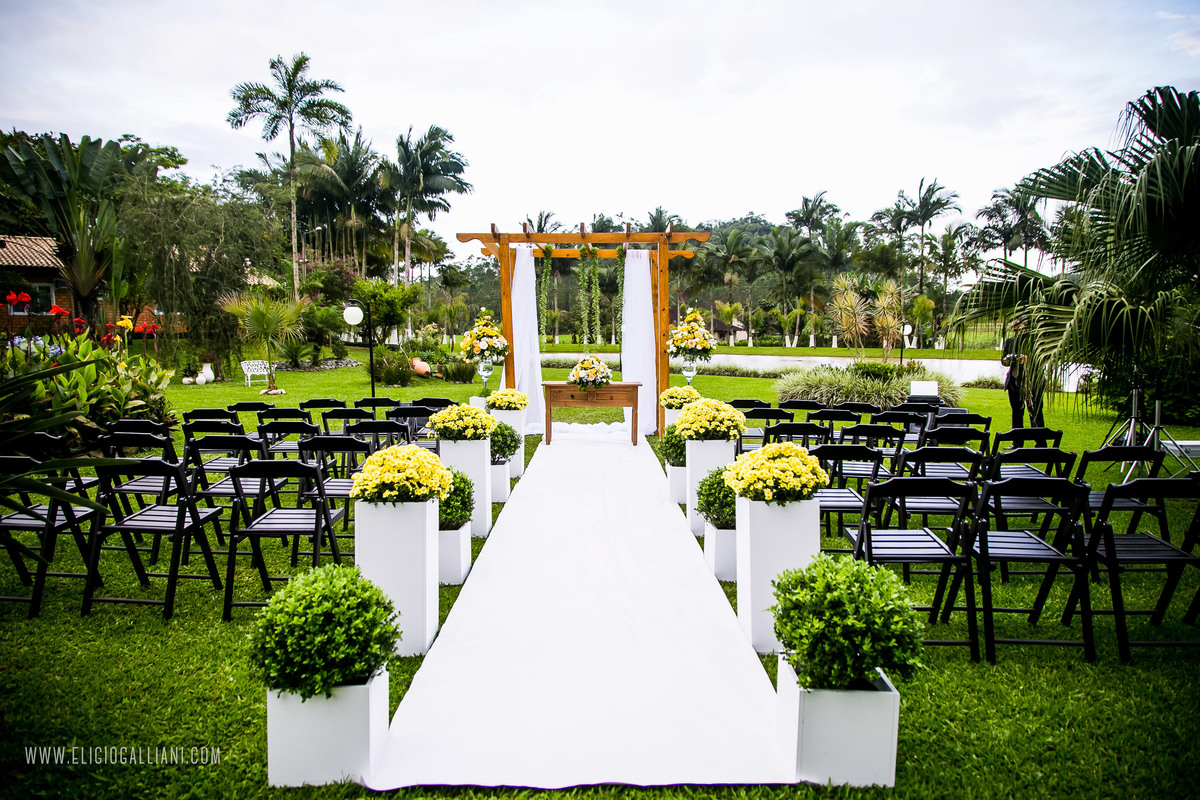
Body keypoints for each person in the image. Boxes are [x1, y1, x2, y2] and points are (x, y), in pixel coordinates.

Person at [1002, 320, 1045, 430]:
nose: (1016, 333)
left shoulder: (1035, 342)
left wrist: (1028, 359)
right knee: (1016, 412)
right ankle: (1017, 442)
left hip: (1032, 381)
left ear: (1027, 328)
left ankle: (1040, 443)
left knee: (1035, 412)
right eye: (1015, 330)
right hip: (1014, 381)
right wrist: (1006, 360)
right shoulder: (1010, 341)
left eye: (1019, 330)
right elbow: (1003, 360)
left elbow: (1043, 359)